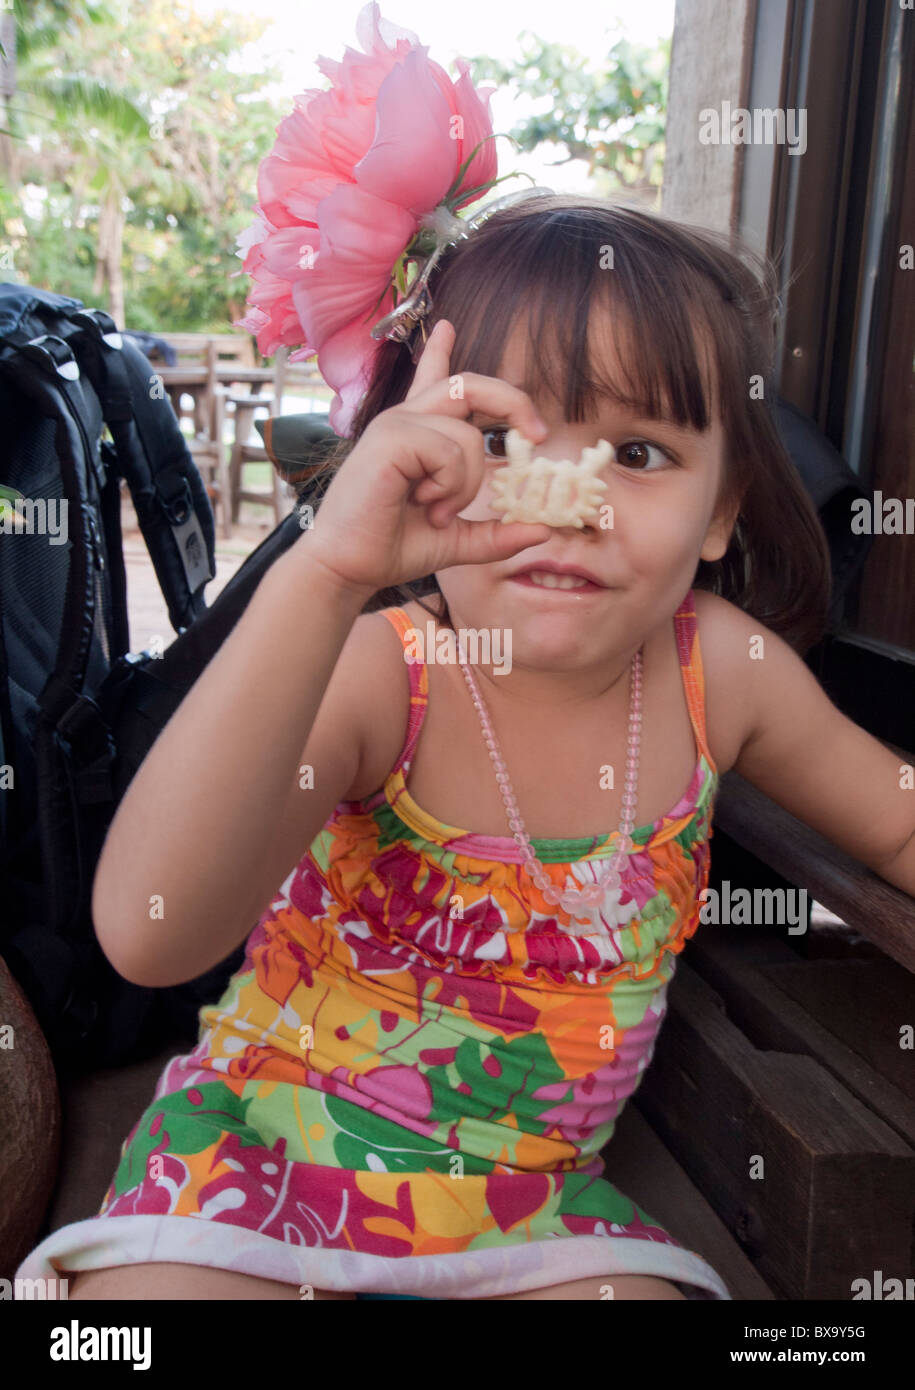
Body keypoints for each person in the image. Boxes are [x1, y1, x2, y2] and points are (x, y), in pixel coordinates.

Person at [16, 192, 915, 1302]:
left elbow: (898, 816)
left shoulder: (719, 673)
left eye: (638, 451)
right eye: (500, 440)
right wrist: (325, 571)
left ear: (722, 509)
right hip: (257, 1161)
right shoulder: (388, 670)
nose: (571, 500)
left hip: (525, 1210)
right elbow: (152, 934)